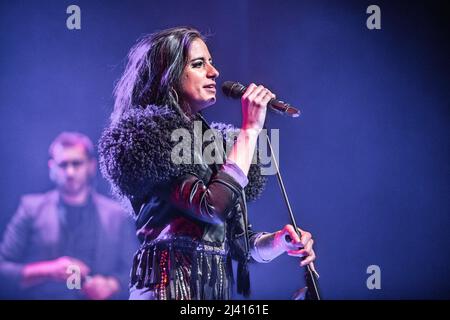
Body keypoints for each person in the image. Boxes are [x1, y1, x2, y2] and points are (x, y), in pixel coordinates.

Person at [98, 26, 316, 300]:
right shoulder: (150, 137)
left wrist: (279, 242)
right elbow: (209, 206)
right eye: (199, 64)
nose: (214, 72)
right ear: (169, 74)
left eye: (211, 63)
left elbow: (239, 244)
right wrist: (249, 131)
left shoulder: (217, 145)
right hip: (165, 291)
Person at [0, 132, 138, 299]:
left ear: (91, 165)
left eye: (76, 163)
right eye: (63, 165)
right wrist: (49, 270)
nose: (70, 172)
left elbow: (135, 271)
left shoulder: (116, 215)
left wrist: (113, 285)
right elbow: (3, 269)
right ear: (52, 167)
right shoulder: (30, 208)